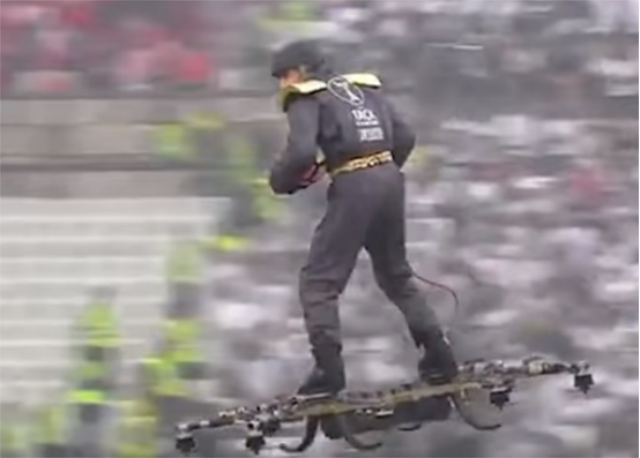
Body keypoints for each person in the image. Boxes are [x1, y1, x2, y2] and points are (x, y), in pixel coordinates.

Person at [268, 40, 459, 396]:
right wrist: (380, 171)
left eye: (285, 75)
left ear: (303, 70)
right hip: (390, 178)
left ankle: (328, 372)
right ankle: (439, 355)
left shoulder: (306, 96)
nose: (283, 84)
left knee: (319, 282)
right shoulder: (364, 88)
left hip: (355, 185)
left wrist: (280, 182)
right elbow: (405, 136)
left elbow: (301, 153)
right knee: (395, 275)